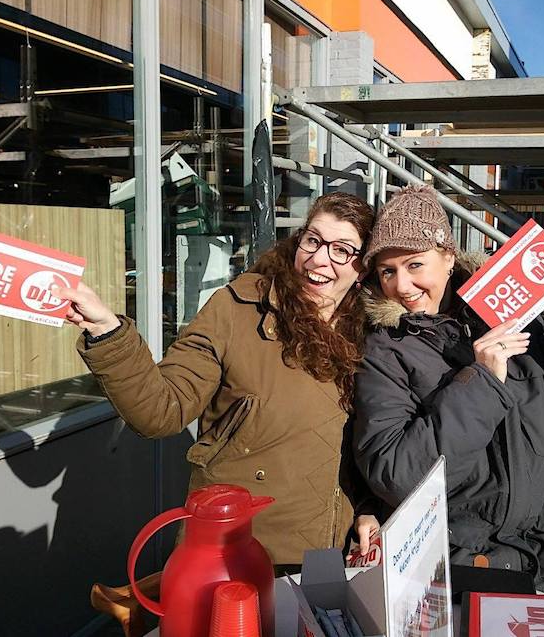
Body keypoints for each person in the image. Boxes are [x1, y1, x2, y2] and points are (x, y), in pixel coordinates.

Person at [53, 192, 380, 566]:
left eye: (341, 250)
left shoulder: (372, 331)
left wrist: (368, 507)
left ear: (362, 268)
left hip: (336, 555)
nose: (319, 259)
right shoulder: (238, 310)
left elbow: (372, 443)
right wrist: (107, 331)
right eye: (313, 240)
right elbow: (160, 410)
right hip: (237, 552)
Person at [353, 185, 544, 596]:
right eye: (387, 271)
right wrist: (480, 382)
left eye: (414, 264)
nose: (402, 285)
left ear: (449, 257)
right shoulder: (385, 350)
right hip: (457, 561)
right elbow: (396, 475)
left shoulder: (508, 313)